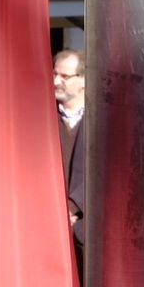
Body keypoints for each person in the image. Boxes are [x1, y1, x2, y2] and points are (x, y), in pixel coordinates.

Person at [54, 49, 86, 272]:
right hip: (47, 227)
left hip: (87, 233)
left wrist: (73, 208)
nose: (56, 81)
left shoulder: (106, 118)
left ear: (83, 80)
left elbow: (110, 172)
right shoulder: (40, 116)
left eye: (64, 77)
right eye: (55, 74)